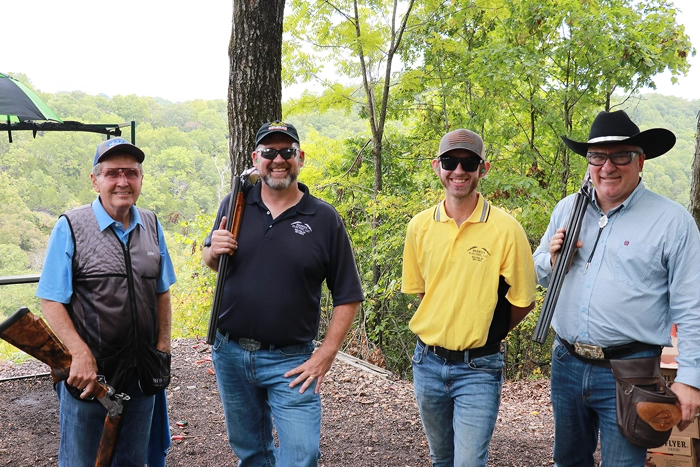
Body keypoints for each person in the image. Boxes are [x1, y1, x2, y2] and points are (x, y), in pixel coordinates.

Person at [533, 110, 700, 467]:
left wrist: (690, 378)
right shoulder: (567, 210)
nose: (607, 166)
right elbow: (539, 273)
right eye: (597, 157)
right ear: (588, 162)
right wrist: (552, 258)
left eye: (620, 155)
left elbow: (692, 306)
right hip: (566, 362)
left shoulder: (673, 222)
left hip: (633, 371)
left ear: (640, 161)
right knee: (568, 462)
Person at [202, 121, 364, 466]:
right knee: (250, 452)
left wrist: (327, 353)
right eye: (269, 152)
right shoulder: (235, 203)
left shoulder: (323, 218)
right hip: (230, 352)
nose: (278, 159)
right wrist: (212, 251)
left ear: (300, 157)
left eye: (287, 152)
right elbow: (213, 260)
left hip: (292, 361)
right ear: (256, 158)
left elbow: (348, 294)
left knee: (301, 454)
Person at [36, 138, 177, 467]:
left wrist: (163, 347)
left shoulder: (152, 225)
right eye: (113, 173)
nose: (123, 181)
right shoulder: (70, 226)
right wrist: (79, 354)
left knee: (132, 461)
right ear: (95, 179)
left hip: (142, 374)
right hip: (89, 379)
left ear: (141, 179)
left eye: (131, 172)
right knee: (81, 461)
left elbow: (161, 291)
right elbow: (51, 300)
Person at [401, 128, 537, 467]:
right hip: (427, 363)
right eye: (450, 161)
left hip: (479, 368)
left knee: (469, 463)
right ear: (437, 166)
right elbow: (422, 291)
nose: (458, 171)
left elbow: (523, 299)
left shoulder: (506, 229)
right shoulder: (419, 227)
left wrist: (485, 331)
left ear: (483, 168)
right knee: (441, 459)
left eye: (469, 163)